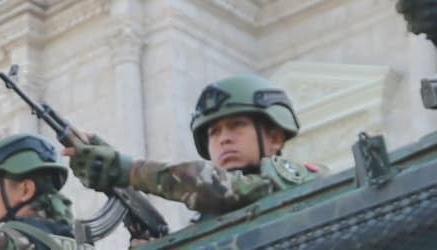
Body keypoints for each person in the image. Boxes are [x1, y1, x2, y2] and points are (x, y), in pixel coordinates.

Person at [57, 75, 311, 222]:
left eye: (237, 126)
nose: (224, 139)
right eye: (214, 132)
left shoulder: (296, 179)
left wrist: (126, 170)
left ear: (275, 138)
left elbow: (213, 186)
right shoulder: (206, 220)